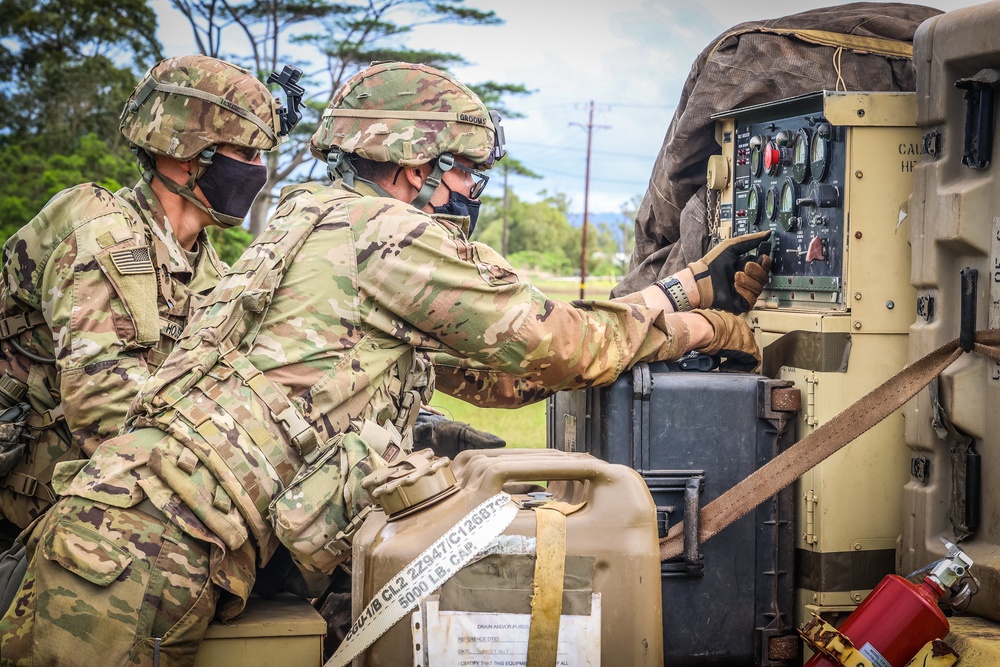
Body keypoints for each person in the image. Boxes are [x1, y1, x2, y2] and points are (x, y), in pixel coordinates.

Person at [0, 61, 769, 666]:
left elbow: (499, 377)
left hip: (140, 530)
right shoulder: (391, 239)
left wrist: (681, 286)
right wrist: (702, 324)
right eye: (464, 169)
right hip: (144, 547)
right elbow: (562, 342)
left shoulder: (313, 218)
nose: (471, 189)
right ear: (413, 167)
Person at [0, 55, 288, 553]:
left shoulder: (208, 271)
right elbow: (106, 413)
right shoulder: (103, 232)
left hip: (103, 492)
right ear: (185, 155)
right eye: (245, 152)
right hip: (35, 507)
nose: (258, 172)